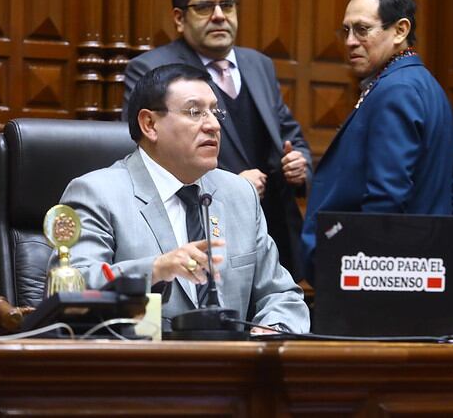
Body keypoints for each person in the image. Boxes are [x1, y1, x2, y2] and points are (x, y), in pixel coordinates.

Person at [53, 64, 309, 333]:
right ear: (150, 124)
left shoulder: (239, 194)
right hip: (139, 368)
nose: (212, 125)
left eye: (214, 111)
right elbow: (73, 287)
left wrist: (272, 328)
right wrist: (155, 269)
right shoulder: (96, 194)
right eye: (195, 112)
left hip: (232, 367)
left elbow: (283, 295)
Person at [122, 0, 311, 281]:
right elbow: (145, 156)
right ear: (179, 19)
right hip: (201, 227)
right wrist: (233, 186)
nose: (220, 15)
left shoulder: (259, 64)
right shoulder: (150, 69)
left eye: (227, 5)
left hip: (274, 232)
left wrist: (299, 162)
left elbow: (289, 134)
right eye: (205, 7)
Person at [300, 0, 453, 281]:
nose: (349, 41)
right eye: (345, 30)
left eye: (362, 30)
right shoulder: (424, 85)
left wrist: (362, 279)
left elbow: (385, 201)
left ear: (400, 30)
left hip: (378, 276)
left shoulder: (395, 90)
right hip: (420, 269)